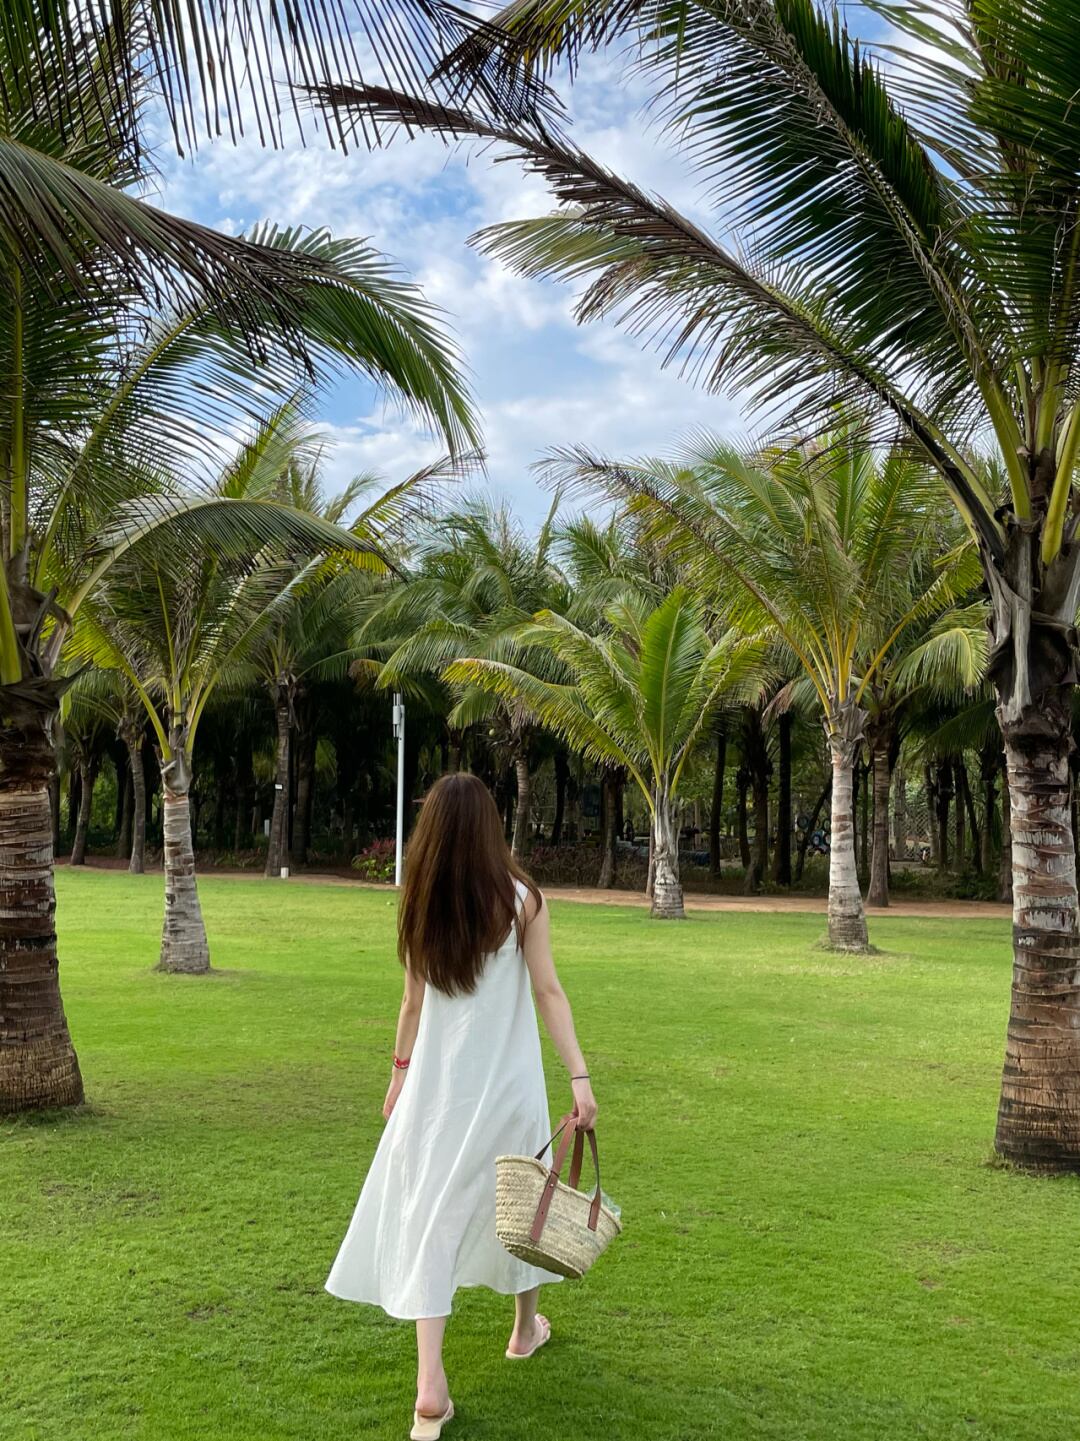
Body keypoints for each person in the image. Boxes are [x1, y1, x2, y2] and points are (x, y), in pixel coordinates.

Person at [326, 773, 598, 1441]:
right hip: (508, 1088)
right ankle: (523, 1329)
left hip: (437, 1093)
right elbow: (549, 992)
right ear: (489, 828)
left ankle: (430, 1386)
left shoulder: (422, 901)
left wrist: (398, 1076)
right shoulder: (522, 900)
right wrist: (579, 1077)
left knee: (434, 1218)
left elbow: (412, 1004)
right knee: (524, 1206)